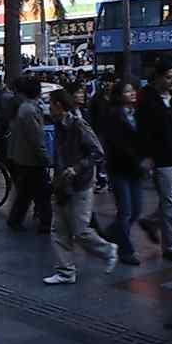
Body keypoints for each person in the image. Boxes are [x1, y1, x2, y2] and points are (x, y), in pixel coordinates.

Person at [43, 89, 118, 285]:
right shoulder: (58, 124)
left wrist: (76, 168)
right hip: (62, 183)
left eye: (50, 104)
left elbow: (97, 152)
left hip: (80, 184)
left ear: (59, 105)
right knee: (59, 229)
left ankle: (108, 250)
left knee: (80, 229)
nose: (48, 108)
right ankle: (65, 271)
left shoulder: (78, 125)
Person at [137, 62, 172, 264]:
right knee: (168, 204)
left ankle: (152, 222)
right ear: (158, 77)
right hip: (161, 160)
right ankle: (171, 247)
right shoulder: (147, 100)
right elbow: (143, 131)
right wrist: (147, 156)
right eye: (168, 77)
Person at [104, 80, 146, 265]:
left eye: (133, 90)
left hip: (135, 170)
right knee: (126, 211)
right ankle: (125, 250)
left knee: (136, 209)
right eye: (128, 91)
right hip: (119, 169)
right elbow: (118, 145)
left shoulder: (136, 114)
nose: (132, 93)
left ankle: (112, 232)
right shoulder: (113, 115)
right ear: (119, 95)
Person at [6, 76, 51, 233]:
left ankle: (15, 219)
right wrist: (44, 157)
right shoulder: (30, 110)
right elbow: (36, 138)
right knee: (42, 193)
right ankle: (45, 222)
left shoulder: (26, 108)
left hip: (24, 158)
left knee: (26, 192)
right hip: (31, 159)